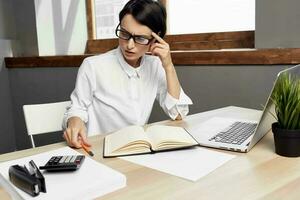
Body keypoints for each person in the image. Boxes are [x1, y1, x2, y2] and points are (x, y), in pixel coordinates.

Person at [62, 0, 193, 148]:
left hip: (136, 149)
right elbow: (77, 109)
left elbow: (178, 114)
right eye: (124, 33)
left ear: (157, 39)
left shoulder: (155, 66)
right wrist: (74, 120)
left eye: (140, 38)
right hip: (99, 149)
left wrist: (168, 66)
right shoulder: (93, 66)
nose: (129, 45)